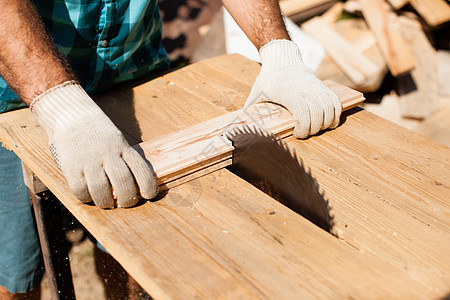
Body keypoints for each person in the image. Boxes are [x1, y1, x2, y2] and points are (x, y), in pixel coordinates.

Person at [0, 0, 342, 298]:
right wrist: (63, 107)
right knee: (14, 274)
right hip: (19, 96)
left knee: (138, 256)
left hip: (135, 74)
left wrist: (279, 54)